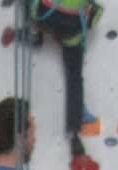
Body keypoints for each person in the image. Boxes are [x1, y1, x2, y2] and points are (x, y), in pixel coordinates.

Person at [29, 0, 104, 159]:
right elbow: (93, 15)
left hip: (46, 18)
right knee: (74, 77)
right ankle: (74, 133)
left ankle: (35, 33)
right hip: (72, 31)